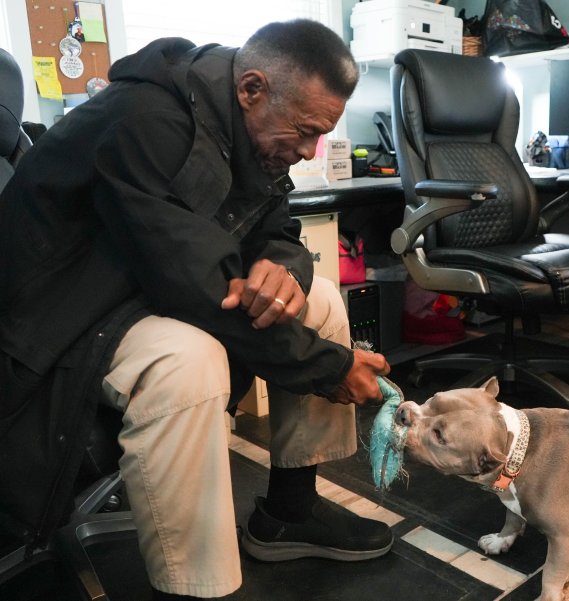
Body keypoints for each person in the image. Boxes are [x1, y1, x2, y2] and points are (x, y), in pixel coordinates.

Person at [0, 19, 392, 600]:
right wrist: (330, 368)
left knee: (321, 300)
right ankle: (194, 586)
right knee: (188, 361)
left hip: (138, 290)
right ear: (251, 88)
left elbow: (276, 227)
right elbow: (198, 287)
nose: (309, 151)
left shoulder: (245, 127)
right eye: (306, 132)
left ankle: (290, 512)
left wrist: (284, 269)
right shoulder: (145, 122)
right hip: (61, 320)